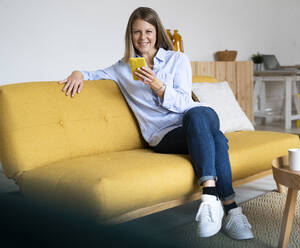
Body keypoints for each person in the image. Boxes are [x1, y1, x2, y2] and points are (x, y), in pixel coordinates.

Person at [59, 6, 253, 240]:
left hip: (193, 118)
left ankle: (210, 199)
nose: (143, 38)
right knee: (217, 139)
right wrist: (77, 73)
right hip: (164, 135)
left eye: (148, 31)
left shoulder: (177, 59)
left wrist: (159, 87)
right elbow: (92, 75)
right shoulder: (122, 68)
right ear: (130, 36)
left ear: (157, 33)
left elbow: (184, 103)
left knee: (198, 114)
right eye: (136, 32)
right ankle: (232, 209)